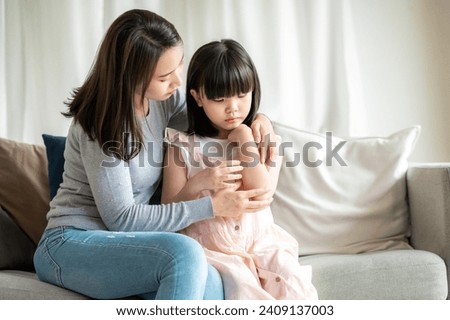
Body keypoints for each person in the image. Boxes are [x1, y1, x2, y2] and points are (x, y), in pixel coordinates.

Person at [33, 9, 277, 300]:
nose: (177, 82)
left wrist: (259, 120)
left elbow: (213, 119)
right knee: (185, 253)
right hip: (71, 243)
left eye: (179, 67)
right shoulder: (101, 124)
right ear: (132, 77)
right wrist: (212, 206)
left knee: (217, 285)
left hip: (131, 245)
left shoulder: (164, 102)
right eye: (164, 76)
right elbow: (122, 219)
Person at [162, 39, 318, 300]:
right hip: (212, 248)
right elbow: (168, 208)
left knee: (294, 287)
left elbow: (261, 194)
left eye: (241, 95)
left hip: (263, 243)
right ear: (198, 97)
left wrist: (244, 137)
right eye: (219, 98)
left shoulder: (263, 141)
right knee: (245, 293)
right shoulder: (182, 146)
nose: (232, 107)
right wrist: (199, 183)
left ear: (253, 90)